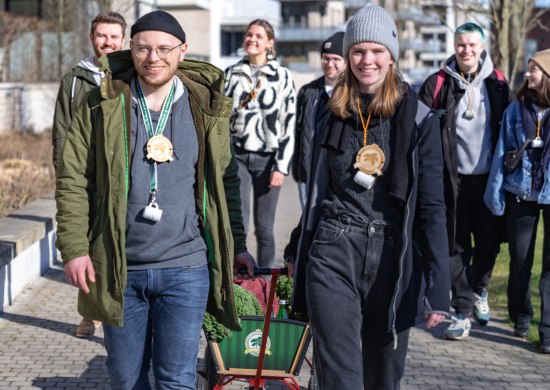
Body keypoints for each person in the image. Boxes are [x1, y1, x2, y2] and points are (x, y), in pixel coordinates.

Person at [54, 10, 256, 388]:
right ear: (131, 50)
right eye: (144, 48)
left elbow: (225, 184)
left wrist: (239, 245)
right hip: (119, 268)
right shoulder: (101, 104)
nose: (153, 58)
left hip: (186, 267)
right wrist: (74, 248)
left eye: (164, 48)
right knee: (127, 378)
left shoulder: (205, 109)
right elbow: (73, 179)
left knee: (176, 378)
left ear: (183, 51)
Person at [283, 5, 451, 388]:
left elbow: (433, 206)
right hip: (334, 246)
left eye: (376, 51)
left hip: (394, 256)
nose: (366, 60)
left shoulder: (421, 119)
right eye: (357, 51)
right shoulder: (330, 112)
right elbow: (317, 192)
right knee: (341, 377)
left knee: (383, 377)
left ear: (391, 55)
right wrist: (297, 244)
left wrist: (439, 286)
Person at [418, 22, 511, 340]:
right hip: (450, 179)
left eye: (473, 45)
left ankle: (480, 288)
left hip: (488, 179)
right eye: (461, 45)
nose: (466, 50)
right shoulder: (437, 83)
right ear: (454, 47)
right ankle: (461, 311)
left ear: (482, 48)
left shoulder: (498, 83)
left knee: (489, 244)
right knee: (454, 245)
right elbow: (420, 129)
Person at [52, 11, 127, 338]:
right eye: (102, 36)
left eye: (114, 37)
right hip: (86, 178)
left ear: (123, 40)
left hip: (121, 179)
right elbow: (62, 131)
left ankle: (121, 309)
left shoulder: (130, 76)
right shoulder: (74, 80)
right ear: (91, 38)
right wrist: (64, 171)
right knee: (89, 248)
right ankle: (89, 312)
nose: (108, 43)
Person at [484, 49, 550, 354]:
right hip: (519, 192)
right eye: (529, 67)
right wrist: (495, 196)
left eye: (534, 68)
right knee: (520, 260)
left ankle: (548, 333)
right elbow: (501, 153)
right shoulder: (516, 109)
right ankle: (521, 316)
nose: (528, 73)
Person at [224, 19, 296, 268]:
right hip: (238, 156)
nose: (251, 39)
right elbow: (222, 117)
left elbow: (288, 123)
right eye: (248, 35)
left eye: (258, 36)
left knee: (264, 228)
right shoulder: (231, 73)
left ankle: (265, 284)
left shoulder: (283, 76)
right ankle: (236, 285)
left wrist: (281, 167)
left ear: (269, 43)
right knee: (239, 225)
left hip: (268, 159)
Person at [292, 31, 346, 207]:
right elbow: (298, 132)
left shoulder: (352, 95)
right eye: (325, 58)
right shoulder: (308, 92)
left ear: (346, 62)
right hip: (308, 175)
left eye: (336, 59)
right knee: (307, 228)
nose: (329, 64)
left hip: (337, 179)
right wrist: (298, 169)